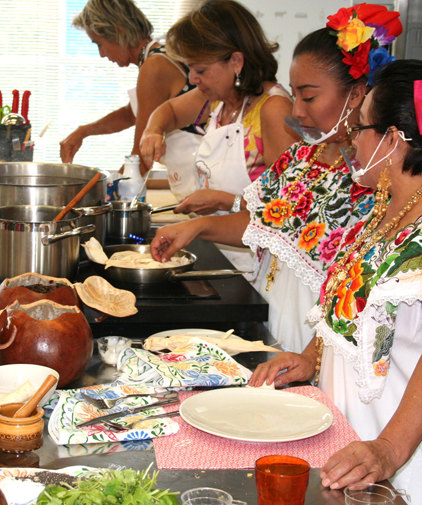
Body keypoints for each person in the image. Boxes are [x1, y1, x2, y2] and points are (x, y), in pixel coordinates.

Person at [250, 56, 422, 505]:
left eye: (361, 128)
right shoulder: (388, 206)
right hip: (363, 437)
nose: (352, 140)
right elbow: (360, 303)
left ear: (393, 140)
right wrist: (311, 357)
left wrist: (390, 449)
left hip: (416, 455)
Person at [149, 4, 402, 353]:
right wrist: (195, 227)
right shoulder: (301, 157)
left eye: (308, 97)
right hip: (272, 315)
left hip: (319, 339)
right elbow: (261, 224)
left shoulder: (371, 179)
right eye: (295, 94)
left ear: (356, 94)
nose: (296, 110)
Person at [139, 0, 299, 213]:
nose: (193, 78)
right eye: (190, 69)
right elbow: (170, 111)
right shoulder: (216, 97)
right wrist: (153, 130)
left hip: (252, 246)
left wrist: (224, 201)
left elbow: (286, 207)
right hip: (215, 236)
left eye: (201, 70)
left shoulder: (274, 109)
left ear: (236, 61)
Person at [59, 0, 194, 176]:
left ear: (118, 31)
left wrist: (109, 193)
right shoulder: (158, 55)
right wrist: (84, 131)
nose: (101, 54)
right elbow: (130, 115)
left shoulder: (154, 67)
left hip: (199, 175)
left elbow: (141, 158)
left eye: (99, 44)